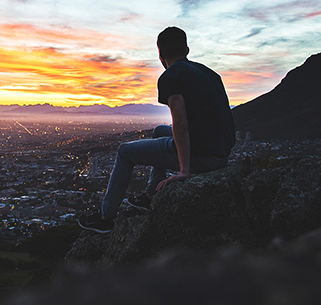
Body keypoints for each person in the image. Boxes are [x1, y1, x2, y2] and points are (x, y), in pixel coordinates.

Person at [78, 26, 235, 233]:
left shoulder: (171, 75)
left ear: (160, 54)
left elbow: (180, 121)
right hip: (220, 154)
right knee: (161, 130)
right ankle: (151, 195)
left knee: (125, 152)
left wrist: (184, 171)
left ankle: (106, 217)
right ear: (186, 50)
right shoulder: (210, 74)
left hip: (201, 155)